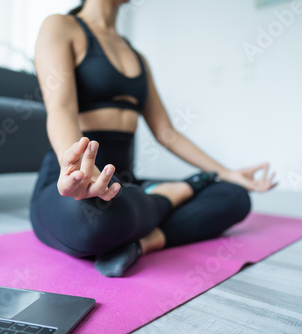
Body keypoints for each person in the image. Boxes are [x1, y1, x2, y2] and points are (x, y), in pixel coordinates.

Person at [29, 0, 277, 277]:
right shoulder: (61, 26)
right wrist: (79, 171)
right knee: (95, 222)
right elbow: (61, 108)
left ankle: (143, 241)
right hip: (71, 180)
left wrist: (227, 173)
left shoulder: (137, 57)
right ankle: (172, 195)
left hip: (124, 183)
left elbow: (166, 133)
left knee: (234, 197)